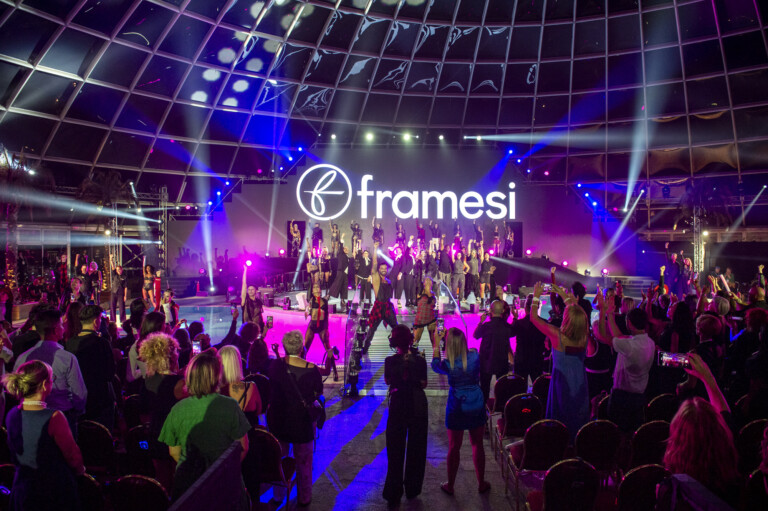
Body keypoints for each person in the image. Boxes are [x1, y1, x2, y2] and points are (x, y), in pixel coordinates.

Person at [159, 349, 250, 505]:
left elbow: (174, 451)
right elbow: (244, 447)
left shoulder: (178, 409)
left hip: (189, 486)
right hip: (224, 486)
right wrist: (222, 471)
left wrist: (196, 473)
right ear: (216, 376)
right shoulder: (230, 405)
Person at [3, 360, 85, 511]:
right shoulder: (54, 417)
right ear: (44, 385)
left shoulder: (12, 414)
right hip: (51, 490)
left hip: (23, 487)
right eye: (51, 379)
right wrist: (81, 473)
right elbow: (73, 456)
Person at [662, 353, 740, 507]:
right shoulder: (735, 482)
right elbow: (725, 417)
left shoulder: (673, 492)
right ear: (720, 433)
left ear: (677, 441)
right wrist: (707, 377)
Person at [267, 331, 324, 507]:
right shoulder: (312, 369)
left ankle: (278, 495)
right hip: (302, 422)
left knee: (280, 459)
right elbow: (318, 393)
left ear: (284, 347)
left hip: (279, 421)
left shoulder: (275, 366)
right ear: (301, 348)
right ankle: (304, 497)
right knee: (304, 461)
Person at [431, 327, 490, 496]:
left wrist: (436, 344)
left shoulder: (447, 364)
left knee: (454, 447)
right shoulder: (475, 355)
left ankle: (450, 485)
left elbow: (434, 365)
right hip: (476, 404)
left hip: (457, 406)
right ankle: (481, 483)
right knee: (477, 444)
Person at [529, 282, 589, 439]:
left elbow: (533, 318)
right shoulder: (585, 336)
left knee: (560, 417)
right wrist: (564, 296)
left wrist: (536, 295)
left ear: (566, 318)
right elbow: (579, 314)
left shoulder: (558, 336)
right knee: (577, 416)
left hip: (562, 383)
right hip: (580, 382)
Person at [14, 309, 87, 434]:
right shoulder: (67, 358)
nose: (63, 328)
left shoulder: (22, 358)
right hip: (62, 417)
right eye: (61, 325)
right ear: (55, 330)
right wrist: (76, 412)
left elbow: (17, 391)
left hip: (30, 418)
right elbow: (79, 394)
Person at [383, 325, 428, 507]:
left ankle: (393, 492)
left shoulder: (389, 361)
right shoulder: (420, 360)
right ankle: (412, 488)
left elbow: (388, 381)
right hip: (417, 403)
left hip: (398, 403)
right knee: (417, 447)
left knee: (395, 448)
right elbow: (424, 383)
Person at [596, 298, 655, 432]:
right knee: (634, 433)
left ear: (629, 323)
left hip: (622, 397)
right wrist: (610, 315)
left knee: (617, 433)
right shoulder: (649, 342)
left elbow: (602, 335)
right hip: (639, 397)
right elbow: (620, 336)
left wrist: (602, 312)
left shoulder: (630, 345)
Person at [140, 332, 186, 492]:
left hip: (153, 435)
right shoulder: (179, 383)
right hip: (174, 438)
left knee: (162, 481)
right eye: (176, 351)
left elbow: (143, 413)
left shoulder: (147, 380)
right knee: (178, 482)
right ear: (170, 356)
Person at [65, 305, 116, 430]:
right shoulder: (102, 343)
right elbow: (110, 373)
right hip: (100, 399)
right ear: (96, 321)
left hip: (77, 397)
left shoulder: (69, 343)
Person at [474, 300, 514, 402]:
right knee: (502, 390)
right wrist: (515, 318)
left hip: (486, 361)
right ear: (502, 311)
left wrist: (481, 322)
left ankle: (484, 409)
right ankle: (500, 408)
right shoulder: (507, 326)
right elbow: (514, 331)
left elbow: (476, 335)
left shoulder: (486, 326)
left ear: (491, 310)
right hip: (502, 362)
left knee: (484, 389)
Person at [362, 242, 398, 354]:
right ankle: (364, 349)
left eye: (385, 268)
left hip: (387, 307)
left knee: (396, 328)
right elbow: (374, 264)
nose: (383, 270)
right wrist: (375, 248)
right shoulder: (376, 278)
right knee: (371, 330)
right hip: (378, 307)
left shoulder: (388, 280)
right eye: (381, 268)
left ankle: (398, 345)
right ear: (379, 269)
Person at [509, 295, 548, 384]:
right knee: (538, 386)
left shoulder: (519, 323)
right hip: (537, 359)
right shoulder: (544, 322)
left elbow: (510, 333)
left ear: (525, 308)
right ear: (537, 307)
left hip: (521, 360)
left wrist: (515, 318)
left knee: (520, 387)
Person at [220, 345, 261, 426]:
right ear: (238, 363)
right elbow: (258, 412)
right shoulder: (251, 387)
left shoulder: (214, 389)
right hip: (249, 433)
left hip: (222, 433)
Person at [413, 277, 437, 347]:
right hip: (428, 317)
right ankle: (435, 350)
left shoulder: (420, 294)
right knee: (433, 341)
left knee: (415, 341)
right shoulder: (432, 295)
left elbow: (417, 304)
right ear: (431, 284)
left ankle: (414, 350)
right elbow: (433, 305)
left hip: (421, 318)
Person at [329, 234, 350, 312]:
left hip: (345, 274)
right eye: (345, 248)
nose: (346, 249)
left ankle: (342, 300)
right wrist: (342, 238)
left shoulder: (347, 257)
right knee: (337, 284)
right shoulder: (341, 253)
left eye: (347, 249)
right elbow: (341, 246)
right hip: (340, 272)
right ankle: (328, 295)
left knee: (344, 287)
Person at [240, 264, 264, 330]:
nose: (250, 291)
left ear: (256, 291)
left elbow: (259, 315)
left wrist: (263, 326)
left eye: (252, 289)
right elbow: (244, 284)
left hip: (258, 328)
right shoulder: (245, 300)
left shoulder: (258, 301)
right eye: (249, 290)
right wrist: (245, 270)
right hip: (247, 329)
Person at [109, 254, 128, 324]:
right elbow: (113, 267)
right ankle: (112, 320)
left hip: (121, 293)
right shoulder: (115, 275)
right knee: (112, 306)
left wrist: (125, 296)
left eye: (119, 269)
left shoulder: (124, 277)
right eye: (117, 270)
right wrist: (111, 259)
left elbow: (125, 287)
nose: (118, 271)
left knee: (122, 307)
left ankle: (123, 320)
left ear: (121, 270)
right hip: (114, 292)